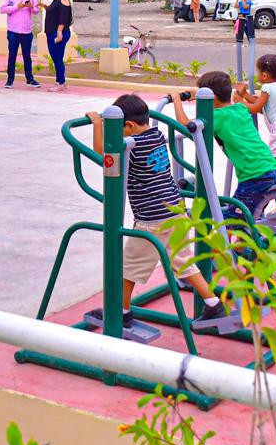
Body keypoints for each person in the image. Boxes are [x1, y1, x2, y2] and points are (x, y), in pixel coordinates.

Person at [83, 93, 226, 328]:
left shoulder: (134, 147)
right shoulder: (157, 135)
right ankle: (213, 304)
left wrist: (99, 124)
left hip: (153, 219)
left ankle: (120, 310)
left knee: (128, 265)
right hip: (175, 210)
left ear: (127, 126)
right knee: (183, 261)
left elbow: (104, 153)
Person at [195, 71, 276, 219]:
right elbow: (242, 104)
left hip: (254, 176)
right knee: (248, 217)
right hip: (272, 168)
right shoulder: (240, 108)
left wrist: (177, 100)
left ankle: (239, 241)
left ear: (212, 98)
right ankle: (248, 240)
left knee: (231, 220)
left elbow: (188, 125)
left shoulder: (216, 117)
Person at [234, 54, 276, 202]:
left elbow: (255, 108)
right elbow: (263, 106)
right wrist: (245, 95)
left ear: (264, 75)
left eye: (258, 72)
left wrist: (239, 102)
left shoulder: (267, 87)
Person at [0, 0, 41, 88]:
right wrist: (17, 6)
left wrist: (31, 7)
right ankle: (10, 80)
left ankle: (30, 79)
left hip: (27, 32)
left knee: (27, 56)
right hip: (13, 31)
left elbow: (36, 11)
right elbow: (2, 9)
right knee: (12, 55)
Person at [44, 0, 73, 92]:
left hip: (58, 34)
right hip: (52, 33)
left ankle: (60, 82)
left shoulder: (63, 0)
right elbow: (54, 13)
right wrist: (44, 6)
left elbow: (63, 17)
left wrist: (59, 32)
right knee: (57, 58)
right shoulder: (56, 1)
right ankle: (61, 81)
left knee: (57, 58)